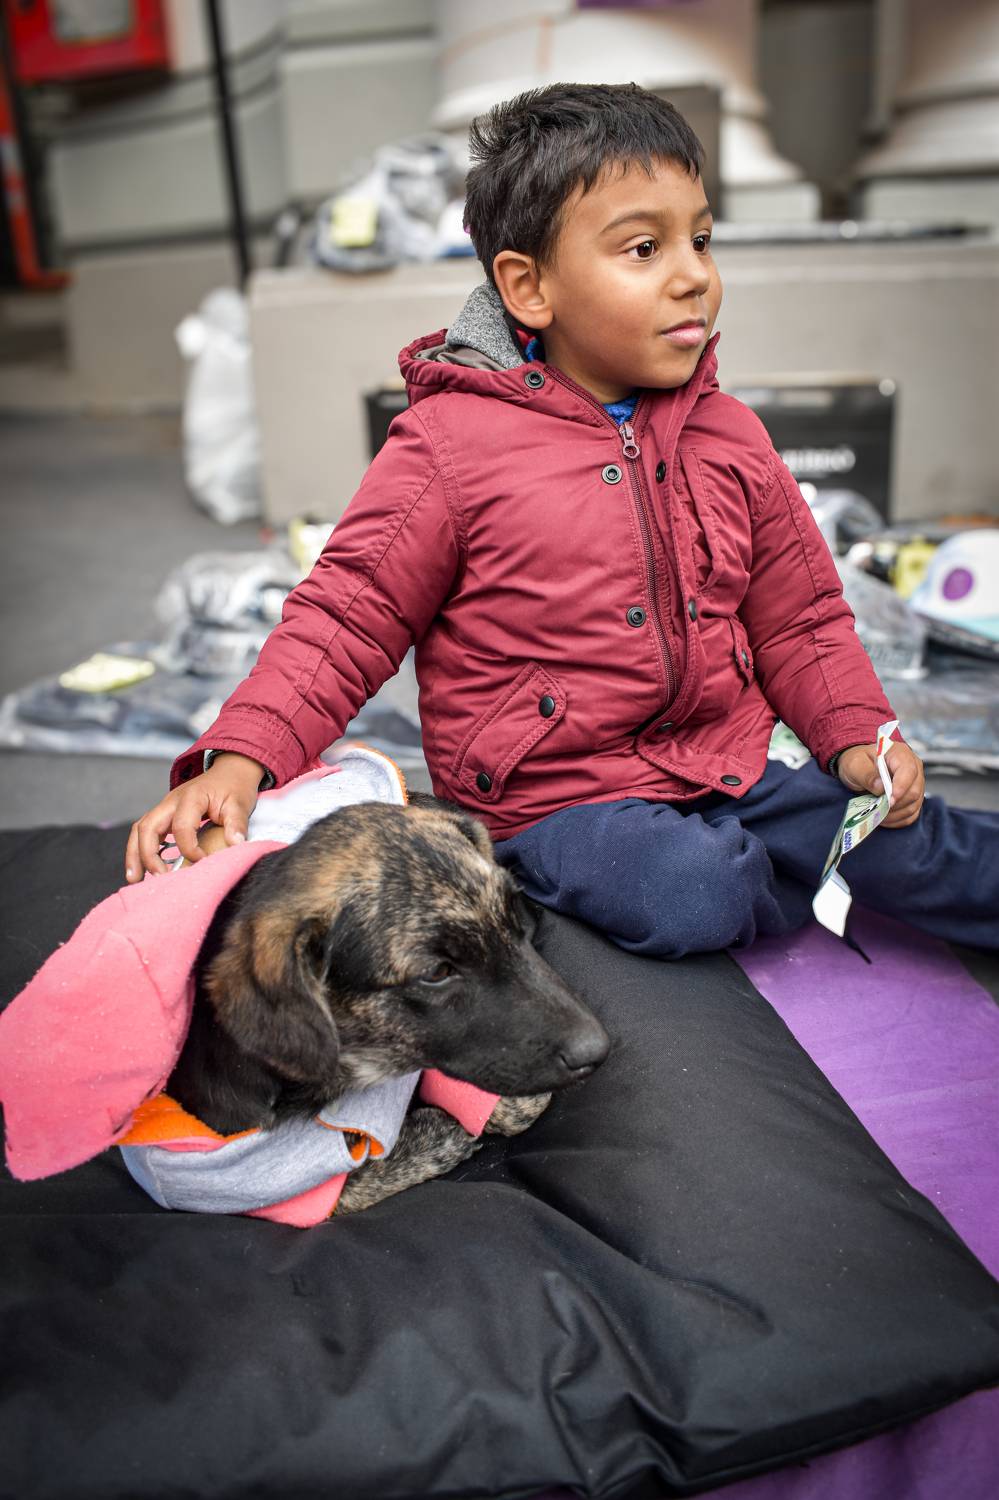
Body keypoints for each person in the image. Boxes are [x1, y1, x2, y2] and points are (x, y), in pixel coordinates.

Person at [125, 83, 998, 957]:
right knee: (694, 893)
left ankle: (792, 856)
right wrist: (239, 760)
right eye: (644, 248)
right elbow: (345, 617)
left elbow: (800, 620)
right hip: (556, 800)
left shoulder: (731, 435)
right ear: (528, 286)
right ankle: (683, 872)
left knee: (913, 840)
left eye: (699, 239)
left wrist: (856, 737)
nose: (692, 275)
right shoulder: (447, 447)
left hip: (724, 762)